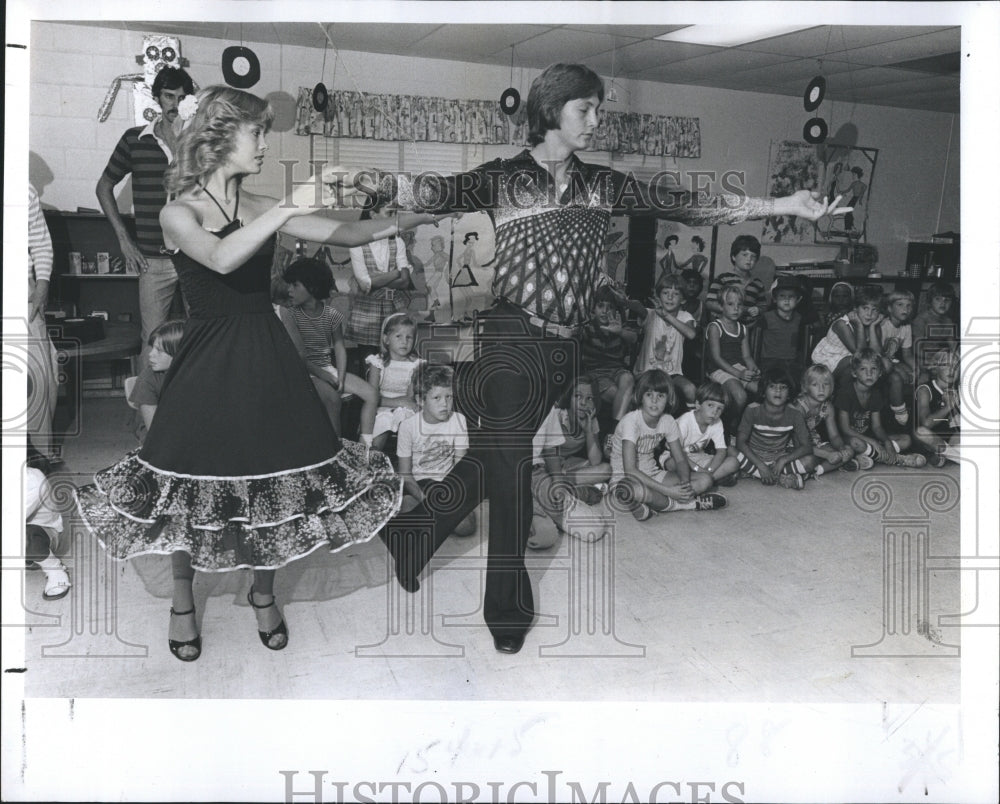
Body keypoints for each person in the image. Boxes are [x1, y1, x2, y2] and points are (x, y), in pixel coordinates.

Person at [366, 62, 848, 654]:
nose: (595, 121)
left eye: (598, 110)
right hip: (510, 339)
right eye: (585, 110)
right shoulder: (503, 179)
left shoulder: (604, 185)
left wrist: (782, 204)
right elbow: (430, 194)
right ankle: (506, 609)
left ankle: (413, 535)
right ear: (550, 112)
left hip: (563, 346)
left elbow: (689, 206)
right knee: (514, 473)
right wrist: (366, 187)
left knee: (495, 454)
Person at [75, 86, 441, 662]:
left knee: (277, 479)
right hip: (207, 360)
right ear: (220, 137)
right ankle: (181, 597)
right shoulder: (178, 212)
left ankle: (263, 593)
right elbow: (221, 259)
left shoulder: (261, 204)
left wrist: (423, 211)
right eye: (258, 133)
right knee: (188, 482)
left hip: (266, 356)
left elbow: (348, 234)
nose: (267, 144)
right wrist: (290, 207)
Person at [96, 67, 195, 370]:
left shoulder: (199, 144)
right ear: (157, 98)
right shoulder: (134, 140)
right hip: (153, 260)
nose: (175, 104)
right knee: (152, 339)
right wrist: (125, 241)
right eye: (169, 96)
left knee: (203, 333)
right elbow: (103, 188)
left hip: (196, 256)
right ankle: (147, 413)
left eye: (181, 97)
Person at [280, 257, 379, 440]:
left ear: (312, 287)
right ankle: (335, 448)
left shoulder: (331, 314)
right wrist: (324, 375)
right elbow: (297, 355)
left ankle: (365, 444)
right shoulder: (290, 314)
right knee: (332, 399)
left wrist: (339, 377)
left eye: (295, 285)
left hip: (327, 369)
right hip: (304, 371)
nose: (289, 290)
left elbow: (339, 347)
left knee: (371, 393)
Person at [609, 369, 727, 521]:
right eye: (649, 395)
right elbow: (630, 470)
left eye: (661, 396)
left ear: (668, 398)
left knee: (706, 480)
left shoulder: (668, 420)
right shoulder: (631, 422)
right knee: (632, 491)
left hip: (654, 474)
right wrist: (669, 491)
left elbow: (679, 459)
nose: (654, 401)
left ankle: (656, 503)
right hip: (625, 478)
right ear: (640, 396)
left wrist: (684, 485)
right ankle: (686, 505)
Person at [528, 374, 611, 549]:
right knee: (545, 536)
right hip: (525, 474)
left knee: (605, 470)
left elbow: (594, 460)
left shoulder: (548, 406)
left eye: (589, 398)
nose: (583, 403)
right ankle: (577, 492)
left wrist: (556, 482)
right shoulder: (559, 414)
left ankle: (563, 493)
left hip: (547, 470)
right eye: (578, 397)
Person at [396, 363, 476, 539]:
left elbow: (460, 468)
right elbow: (405, 474)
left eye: (449, 397)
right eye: (437, 398)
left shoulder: (459, 420)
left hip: (447, 484)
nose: (445, 404)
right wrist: (423, 499)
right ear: (420, 400)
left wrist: (456, 497)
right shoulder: (408, 426)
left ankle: (428, 516)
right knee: (402, 507)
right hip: (420, 483)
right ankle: (421, 511)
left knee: (467, 527)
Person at [835, 349, 927, 469]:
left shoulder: (876, 394)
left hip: (868, 437)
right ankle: (899, 459)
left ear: (880, 373)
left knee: (906, 439)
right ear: (854, 373)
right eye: (863, 369)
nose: (869, 374)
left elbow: (877, 427)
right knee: (855, 443)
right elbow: (845, 429)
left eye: (873, 369)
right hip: (849, 439)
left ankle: (868, 455)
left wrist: (887, 443)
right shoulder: (845, 393)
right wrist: (873, 442)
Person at [346, 200, 413, 364]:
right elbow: (365, 284)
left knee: (393, 359)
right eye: (389, 213)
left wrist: (379, 277)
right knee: (367, 361)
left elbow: (405, 281)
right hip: (367, 310)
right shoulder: (357, 243)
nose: (393, 217)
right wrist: (395, 273)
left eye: (395, 213)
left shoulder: (397, 241)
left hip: (393, 307)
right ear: (372, 214)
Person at [734, 366, 813, 490]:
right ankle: (778, 477)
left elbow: (807, 446)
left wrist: (784, 460)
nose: (778, 391)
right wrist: (760, 465)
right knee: (730, 451)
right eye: (772, 386)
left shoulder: (795, 413)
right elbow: (740, 442)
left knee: (810, 461)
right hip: (754, 456)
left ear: (789, 394)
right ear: (763, 392)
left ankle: (754, 473)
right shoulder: (752, 410)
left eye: (783, 387)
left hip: (778, 458)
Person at [27, 185, 60, 463]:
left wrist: (42, 284)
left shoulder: (24, 190)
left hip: (23, 290)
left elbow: (40, 243)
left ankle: (40, 454)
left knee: (41, 374)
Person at [659, 380, 740, 491]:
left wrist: (710, 469)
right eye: (710, 405)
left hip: (698, 457)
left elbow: (721, 451)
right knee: (672, 464)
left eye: (719, 408)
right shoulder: (685, 421)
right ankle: (707, 479)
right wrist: (698, 469)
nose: (714, 412)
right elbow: (676, 452)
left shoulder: (717, 422)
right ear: (698, 405)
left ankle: (707, 479)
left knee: (733, 462)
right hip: (675, 456)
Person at [633, 273, 697, 409]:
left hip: (672, 373)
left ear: (683, 300)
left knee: (690, 389)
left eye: (676, 294)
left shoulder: (685, 317)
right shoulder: (650, 314)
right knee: (655, 394)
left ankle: (690, 426)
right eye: (665, 293)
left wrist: (667, 316)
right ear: (658, 297)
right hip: (647, 371)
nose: (670, 297)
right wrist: (625, 302)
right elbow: (637, 307)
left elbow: (691, 334)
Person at [791, 363, 868, 475]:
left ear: (831, 386)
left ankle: (817, 471)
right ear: (806, 387)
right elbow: (800, 445)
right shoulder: (799, 408)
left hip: (814, 442)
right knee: (810, 459)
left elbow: (834, 436)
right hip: (793, 445)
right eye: (815, 385)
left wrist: (841, 448)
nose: (821, 389)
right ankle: (822, 465)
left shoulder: (827, 407)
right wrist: (826, 455)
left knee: (848, 451)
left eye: (826, 384)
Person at [579, 285, 640, 425]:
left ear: (616, 310)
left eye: (610, 307)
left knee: (628, 378)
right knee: (627, 402)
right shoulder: (588, 328)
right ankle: (614, 432)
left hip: (617, 371)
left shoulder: (619, 326)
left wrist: (619, 332)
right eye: (600, 306)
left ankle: (613, 434)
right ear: (594, 308)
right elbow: (577, 335)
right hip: (596, 374)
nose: (605, 311)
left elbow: (634, 338)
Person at [706, 285, 759, 436]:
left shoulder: (742, 328)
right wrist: (739, 373)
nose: (736, 308)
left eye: (739, 305)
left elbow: (747, 356)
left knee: (761, 389)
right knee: (740, 396)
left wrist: (753, 368)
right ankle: (729, 424)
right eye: (730, 304)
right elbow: (716, 358)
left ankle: (746, 424)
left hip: (738, 368)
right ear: (721, 306)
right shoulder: (715, 327)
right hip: (718, 369)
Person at [365, 313, 424, 451]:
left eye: (409, 337)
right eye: (399, 336)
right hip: (379, 408)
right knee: (383, 421)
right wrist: (398, 402)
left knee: (408, 421)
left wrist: (403, 404)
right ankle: (374, 457)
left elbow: (409, 399)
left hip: (406, 408)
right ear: (386, 339)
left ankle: (407, 461)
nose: (404, 342)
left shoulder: (416, 365)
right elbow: (371, 398)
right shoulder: (377, 363)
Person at [811, 284, 883, 387]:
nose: (869, 314)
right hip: (831, 360)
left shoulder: (874, 323)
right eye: (865, 308)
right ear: (855, 309)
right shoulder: (842, 324)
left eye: (874, 310)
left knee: (885, 364)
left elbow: (877, 354)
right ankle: (833, 387)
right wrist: (859, 325)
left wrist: (873, 327)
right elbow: (860, 353)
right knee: (853, 364)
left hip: (856, 360)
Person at [25, 445, 71, 601]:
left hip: (44, 535)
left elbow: (11, 521)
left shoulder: (31, 479)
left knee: (22, 533)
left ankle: (56, 571)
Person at [129, 319, 185, 432]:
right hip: (156, 435)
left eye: (159, 350)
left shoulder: (194, 373)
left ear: (179, 353)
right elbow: (153, 430)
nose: (151, 354)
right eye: (152, 348)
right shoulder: (148, 379)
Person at [913, 348, 961, 467]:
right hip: (925, 439)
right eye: (946, 365)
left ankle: (945, 455)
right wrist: (949, 406)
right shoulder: (925, 389)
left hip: (945, 438)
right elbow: (926, 423)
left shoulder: (957, 390)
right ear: (936, 367)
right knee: (921, 432)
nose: (951, 370)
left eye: (956, 366)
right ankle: (956, 457)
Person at [705, 234, 766, 325]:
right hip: (725, 327)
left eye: (753, 256)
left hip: (748, 328)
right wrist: (729, 308)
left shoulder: (758, 284)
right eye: (744, 255)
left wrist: (758, 310)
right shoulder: (723, 279)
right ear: (734, 256)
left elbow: (763, 306)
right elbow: (709, 303)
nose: (749, 259)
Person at [877, 289, 916, 426]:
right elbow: (878, 355)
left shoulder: (906, 326)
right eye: (900, 305)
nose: (905, 309)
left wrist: (917, 369)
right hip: (877, 362)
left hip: (891, 360)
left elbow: (907, 354)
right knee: (896, 378)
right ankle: (899, 410)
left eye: (908, 305)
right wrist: (898, 369)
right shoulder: (882, 325)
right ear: (889, 308)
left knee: (916, 375)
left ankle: (915, 412)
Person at [758, 274, 805, 377]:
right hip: (769, 362)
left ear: (798, 300)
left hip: (791, 362)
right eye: (782, 296)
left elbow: (800, 345)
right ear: (774, 299)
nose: (786, 300)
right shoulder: (766, 318)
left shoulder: (799, 318)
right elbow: (757, 341)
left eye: (791, 296)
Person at [910, 282, 957, 382]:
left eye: (947, 300)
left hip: (938, 358)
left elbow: (953, 345)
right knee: (932, 373)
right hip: (920, 358)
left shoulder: (948, 321)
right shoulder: (922, 319)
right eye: (938, 299)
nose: (943, 303)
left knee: (955, 369)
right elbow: (916, 349)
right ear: (930, 301)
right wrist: (935, 359)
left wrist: (956, 357)